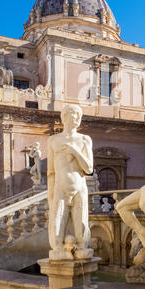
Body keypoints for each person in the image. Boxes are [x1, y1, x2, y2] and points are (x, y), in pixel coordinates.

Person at [47, 104, 94, 260]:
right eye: (73, 114)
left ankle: (82, 247)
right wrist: (50, 194)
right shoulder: (53, 140)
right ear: (64, 117)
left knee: (81, 221)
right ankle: (58, 249)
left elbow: (89, 168)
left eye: (79, 115)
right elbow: (51, 172)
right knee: (57, 221)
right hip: (60, 186)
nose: (77, 118)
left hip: (79, 186)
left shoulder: (84, 139)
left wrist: (75, 151)